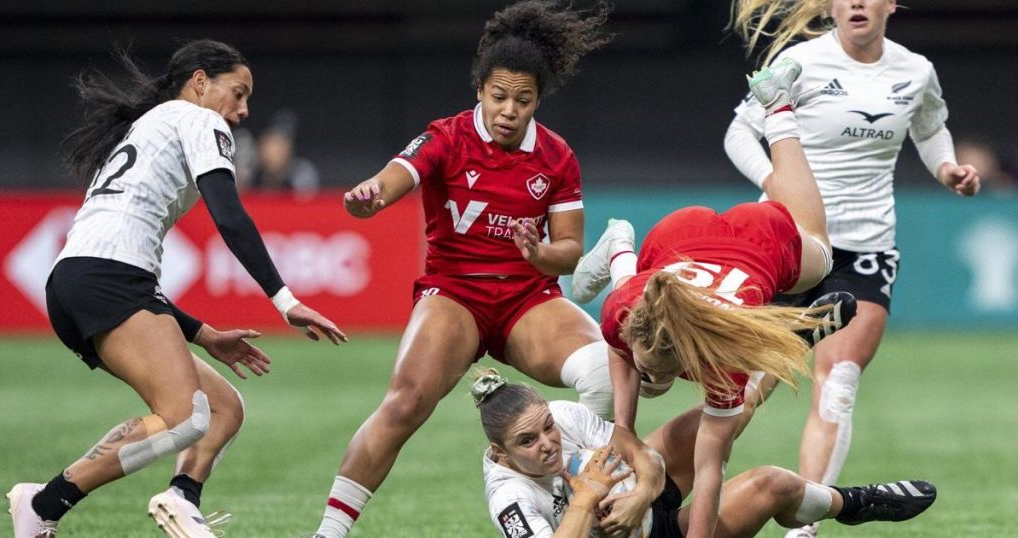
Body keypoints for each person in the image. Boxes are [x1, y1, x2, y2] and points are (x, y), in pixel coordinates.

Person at [6, 39, 346, 538]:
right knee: (186, 417)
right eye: (239, 91)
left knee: (224, 409)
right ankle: (43, 502)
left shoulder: (152, 125)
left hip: (84, 279)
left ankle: (181, 498)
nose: (244, 110)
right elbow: (230, 217)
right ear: (200, 82)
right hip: (108, 279)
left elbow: (127, 271)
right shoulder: (199, 119)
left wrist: (203, 333)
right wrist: (285, 299)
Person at [308, 2, 614, 536]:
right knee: (405, 403)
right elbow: (395, 176)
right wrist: (370, 199)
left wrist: (540, 255)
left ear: (538, 99)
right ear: (480, 90)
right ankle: (328, 534)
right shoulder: (446, 137)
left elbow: (568, 249)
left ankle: (582, 505)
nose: (509, 111)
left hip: (528, 300)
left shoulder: (557, 157)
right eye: (499, 97)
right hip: (455, 295)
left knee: (604, 374)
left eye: (523, 100)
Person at [570, 57, 858, 537]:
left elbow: (710, 471)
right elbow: (622, 355)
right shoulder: (626, 312)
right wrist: (623, 425)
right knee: (629, 288)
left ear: (688, 354)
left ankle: (779, 107)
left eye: (664, 371)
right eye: (648, 369)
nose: (654, 379)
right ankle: (621, 242)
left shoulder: (721, 357)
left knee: (821, 257)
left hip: (752, 241)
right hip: (678, 240)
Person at [724, 3, 981, 535]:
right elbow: (738, 135)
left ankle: (803, 527)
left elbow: (930, 127)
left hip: (866, 249)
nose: (858, 2)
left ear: (890, 4)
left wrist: (947, 168)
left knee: (838, 380)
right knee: (749, 386)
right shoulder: (801, 63)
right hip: (792, 244)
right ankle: (695, 496)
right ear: (832, 7)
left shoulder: (914, 70)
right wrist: (776, 184)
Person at [473, 369, 938, 538]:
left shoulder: (562, 413)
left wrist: (638, 497)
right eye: (528, 443)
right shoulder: (508, 497)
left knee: (723, 412)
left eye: (547, 430)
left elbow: (640, 457)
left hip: (646, 498)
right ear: (502, 453)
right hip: (661, 535)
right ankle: (854, 504)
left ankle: (789, 337)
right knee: (772, 483)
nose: (548, 444)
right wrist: (583, 499)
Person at [247, 109, 321, 196]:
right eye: (270, 144)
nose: (274, 152)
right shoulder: (250, 174)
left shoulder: (302, 173)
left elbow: (306, 205)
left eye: (280, 146)